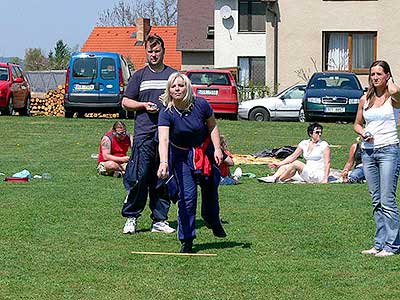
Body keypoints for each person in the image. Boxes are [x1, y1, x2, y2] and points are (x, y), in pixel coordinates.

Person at [157, 72, 226, 253]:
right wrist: (163, 162)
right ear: (169, 90)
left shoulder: (201, 104)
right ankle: (187, 239)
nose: (177, 89)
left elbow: (212, 125)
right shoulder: (167, 112)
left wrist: (218, 148)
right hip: (181, 157)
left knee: (210, 190)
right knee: (187, 198)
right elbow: (163, 139)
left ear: (187, 87)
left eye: (180, 85)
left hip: (205, 152)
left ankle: (213, 221)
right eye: (173, 86)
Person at [120, 34, 176, 234]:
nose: (153, 54)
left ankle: (159, 220)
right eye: (150, 51)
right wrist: (143, 105)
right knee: (140, 176)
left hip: (167, 135)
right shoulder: (139, 76)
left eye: (157, 51)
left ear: (163, 51)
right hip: (144, 133)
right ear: (146, 52)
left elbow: (182, 100)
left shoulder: (172, 76)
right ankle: (131, 217)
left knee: (162, 176)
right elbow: (125, 101)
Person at [354, 60, 400, 257]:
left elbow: (396, 90)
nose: (374, 77)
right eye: (372, 74)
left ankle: (392, 245)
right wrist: (363, 132)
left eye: (379, 74)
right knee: (376, 200)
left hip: (389, 150)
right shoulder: (364, 99)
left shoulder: (393, 98)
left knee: (387, 199)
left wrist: (390, 82)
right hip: (369, 152)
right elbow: (356, 124)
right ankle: (379, 243)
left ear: (387, 75)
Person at [266, 122, 331, 183]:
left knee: (296, 163)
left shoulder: (324, 145)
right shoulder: (304, 143)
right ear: (310, 133)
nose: (319, 134)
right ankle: (273, 178)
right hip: (307, 171)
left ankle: (280, 180)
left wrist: (325, 179)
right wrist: (279, 164)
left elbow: (327, 163)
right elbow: (293, 156)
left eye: (321, 132)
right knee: (285, 166)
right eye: (317, 132)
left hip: (317, 174)